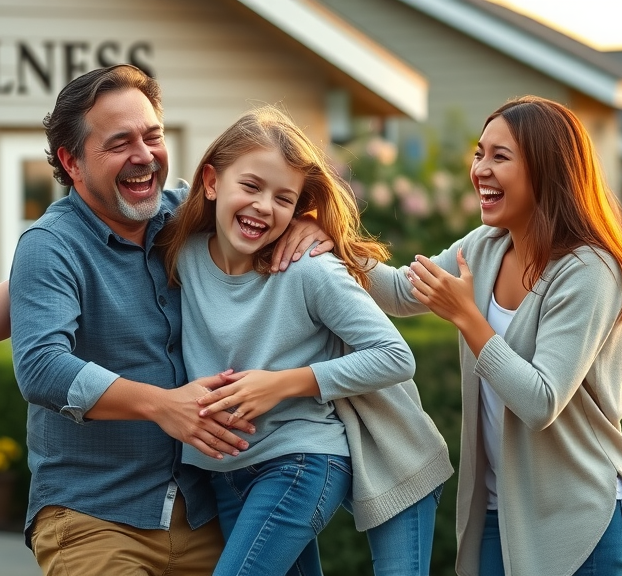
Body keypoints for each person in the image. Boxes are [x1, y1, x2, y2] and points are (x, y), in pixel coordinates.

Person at [0, 75, 452, 574]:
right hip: (96, 514)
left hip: (204, 506)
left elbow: (265, 194)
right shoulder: (54, 247)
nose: (144, 155)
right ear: (71, 162)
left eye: (151, 136)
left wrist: (307, 225)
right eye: (119, 142)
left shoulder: (182, 217)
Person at [364, 95, 622, 576]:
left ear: (547, 171)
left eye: (500, 156)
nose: (480, 169)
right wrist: (325, 239)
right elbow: (398, 290)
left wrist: (469, 320)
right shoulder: (484, 247)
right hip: (502, 512)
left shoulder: (590, 269)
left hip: (581, 516)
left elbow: (540, 400)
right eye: (479, 154)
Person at [157, 105, 452, 576]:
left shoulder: (309, 268)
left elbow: (395, 356)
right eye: (250, 186)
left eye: (283, 199)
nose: (263, 207)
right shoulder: (182, 247)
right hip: (224, 473)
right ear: (211, 182)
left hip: (299, 463)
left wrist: (281, 384)